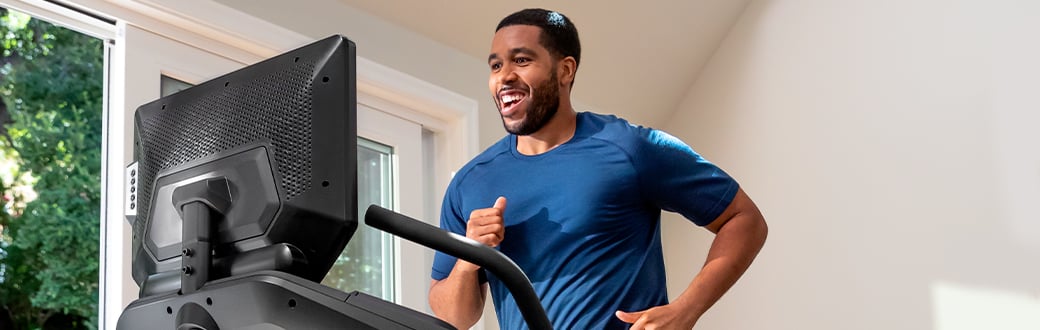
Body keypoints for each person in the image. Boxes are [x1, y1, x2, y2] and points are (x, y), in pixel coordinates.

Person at [428, 8, 767, 330]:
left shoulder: (630, 147)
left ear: (565, 70)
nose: (505, 76)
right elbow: (455, 318)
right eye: (496, 65)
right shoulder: (471, 183)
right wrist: (469, 258)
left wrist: (685, 310)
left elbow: (744, 220)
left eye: (521, 60)